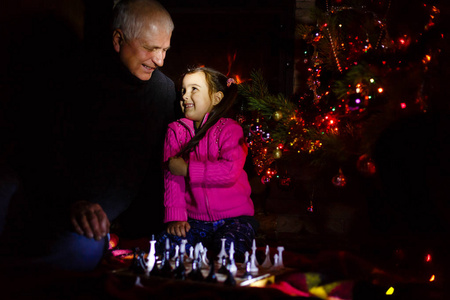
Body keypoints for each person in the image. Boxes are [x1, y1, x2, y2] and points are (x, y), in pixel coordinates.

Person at [0, 0, 179, 271]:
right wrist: (72, 201)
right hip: (52, 200)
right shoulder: (72, 76)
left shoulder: (164, 92)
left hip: (96, 227)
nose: (160, 60)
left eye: (165, 49)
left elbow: (158, 171)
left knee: (83, 249)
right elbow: (36, 152)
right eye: (150, 48)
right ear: (118, 39)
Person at [156, 67, 258, 262]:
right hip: (196, 221)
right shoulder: (175, 131)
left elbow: (229, 171)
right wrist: (175, 216)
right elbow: (171, 177)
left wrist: (187, 169)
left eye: (194, 89)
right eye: (183, 90)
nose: (185, 96)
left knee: (229, 248)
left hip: (235, 219)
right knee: (167, 244)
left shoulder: (230, 129)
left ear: (217, 98)